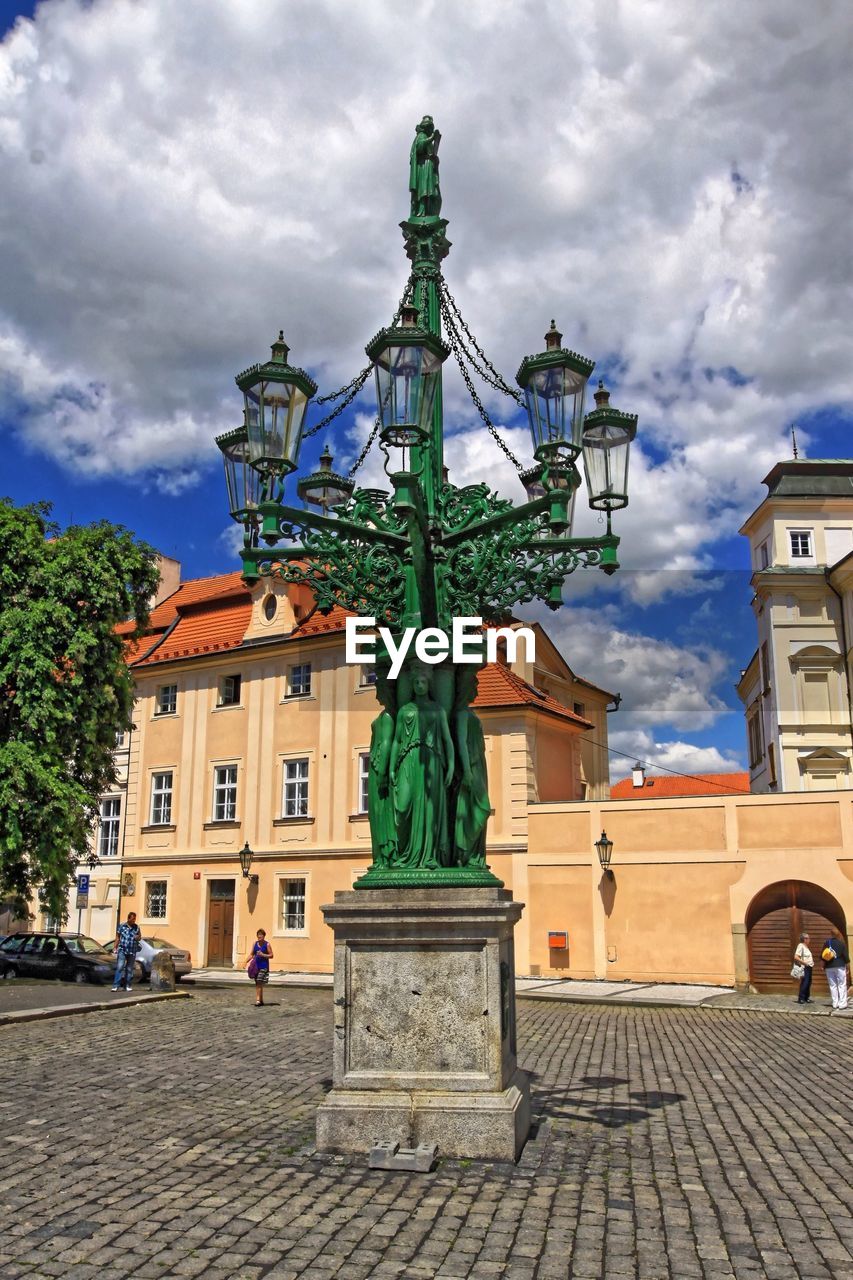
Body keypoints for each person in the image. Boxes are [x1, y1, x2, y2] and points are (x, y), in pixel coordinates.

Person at [821, 927, 850, 1011]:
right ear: (838, 934)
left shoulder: (827, 943)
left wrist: (822, 965)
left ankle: (835, 1003)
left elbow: (823, 955)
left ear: (831, 934)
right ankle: (842, 1004)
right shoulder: (841, 943)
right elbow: (846, 957)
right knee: (842, 984)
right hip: (840, 966)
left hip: (829, 966)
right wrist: (848, 967)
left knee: (832, 985)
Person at [112, 911, 141, 992]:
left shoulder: (136, 927)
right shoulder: (122, 926)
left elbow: (140, 937)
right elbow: (117, 937)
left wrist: (138, 937)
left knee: (129, 969)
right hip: (122, 949)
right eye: (132, 919)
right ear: (128, 918)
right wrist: (115, 947)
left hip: (132, 950)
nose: (134, 921)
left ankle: (127, 985)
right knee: (120, 967)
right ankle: (116, 985)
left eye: (135, 919)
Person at [248, 928, 273, 1007]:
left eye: (261, 935)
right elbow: (252, 954)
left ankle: (258, 1000)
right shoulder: (255, 944)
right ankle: (261, 1000)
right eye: (258, 935)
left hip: (264, 966)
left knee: (259, 981)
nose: (259, 937)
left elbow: (271, 955)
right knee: (258, 983)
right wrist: (245, 961)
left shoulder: (267, 944)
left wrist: (263, 955)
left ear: (264, 936)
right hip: (256, 966)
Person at [794, 932, 813, 1004]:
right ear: (805, 939)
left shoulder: (806, 947)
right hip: (804, 967)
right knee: (805, 982)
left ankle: (806, 997)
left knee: (808, 982)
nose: (809, 940)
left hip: (809, 967)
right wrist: (804, 963)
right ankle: (801, 998)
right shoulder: (800, 946)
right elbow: (796, 957)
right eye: (808, 938)